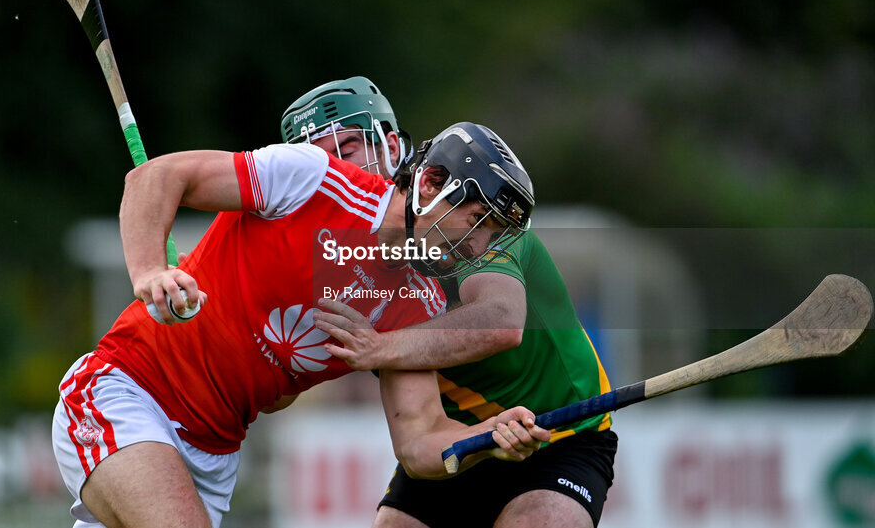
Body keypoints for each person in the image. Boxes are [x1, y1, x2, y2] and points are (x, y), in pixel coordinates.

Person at [51, 77, 548, 528]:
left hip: (212, 455)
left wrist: (487, 437)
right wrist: (150, 271)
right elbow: (154, 179)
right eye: (478, 221)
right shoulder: (313, 178)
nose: (478, 248)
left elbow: (419, 442)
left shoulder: (419, 303)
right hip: (126, 393)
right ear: (431, 185)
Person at [284, 77, 618, 528]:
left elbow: (501, 321)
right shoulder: (337, 251)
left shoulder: (474, 215)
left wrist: (379, 348)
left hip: (557, 434)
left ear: (390, 144)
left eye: (347, 148)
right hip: (456, 432)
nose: (333, 167)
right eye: (317, 156)